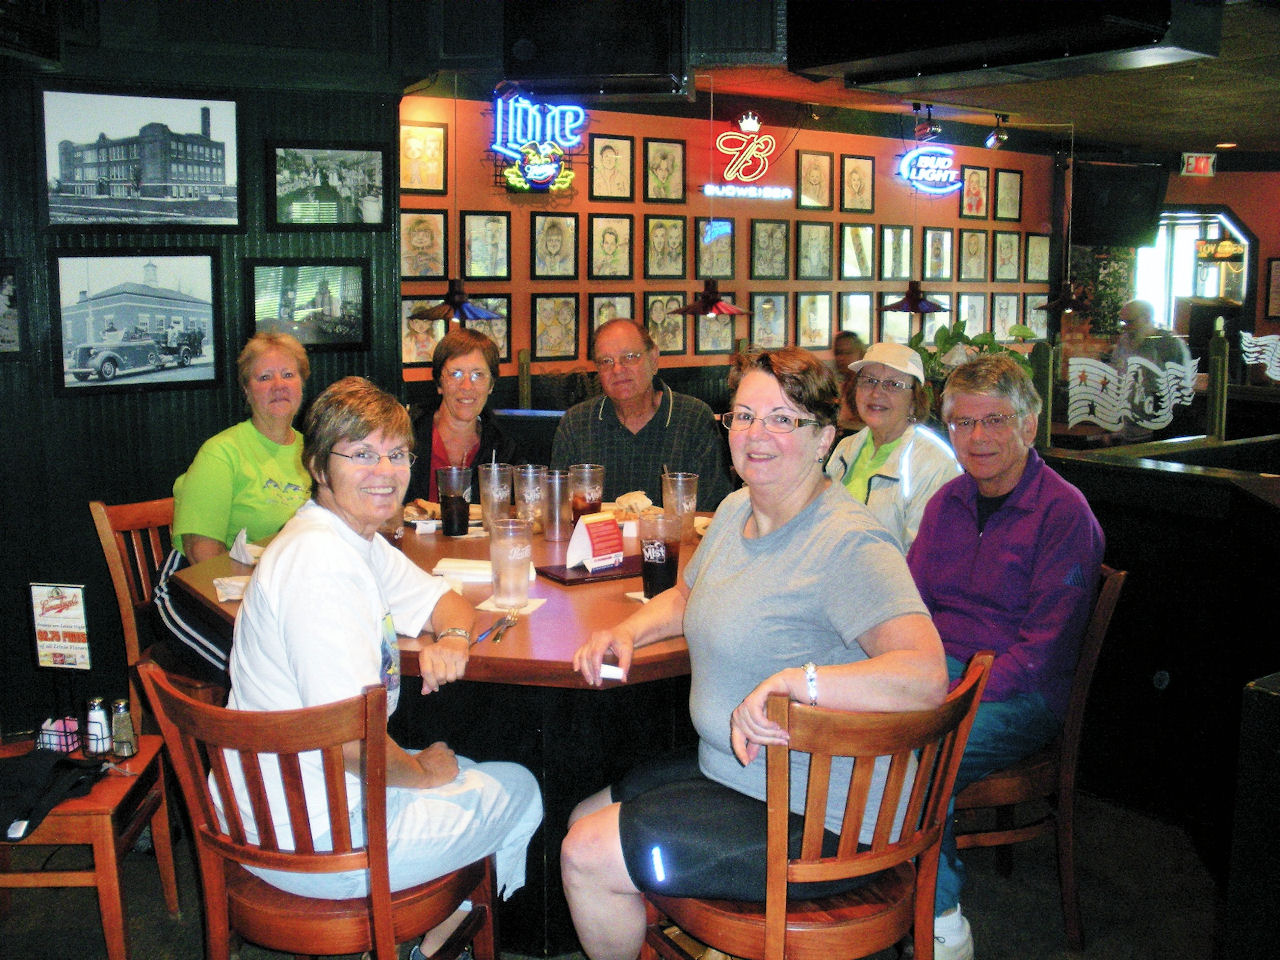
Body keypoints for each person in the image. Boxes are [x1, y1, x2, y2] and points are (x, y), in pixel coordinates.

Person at [561, 347, 947, 960]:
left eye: (781, 419)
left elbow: (926, 674)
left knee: (587, 854)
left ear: (824, 437)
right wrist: (629, 631)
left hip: (821, 818)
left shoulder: (848, 542)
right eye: (743, 416)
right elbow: (689, 596)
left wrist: (798, 682)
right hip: (737, 772)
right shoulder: (739, 507)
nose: (755, 434)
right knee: (581, 814)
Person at [227, 376, 542, 960]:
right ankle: (432, 947)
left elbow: (446, 601)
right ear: (319, 466)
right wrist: (423, 773)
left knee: (477, 770)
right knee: (520, 790)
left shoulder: (352, 540)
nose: (385, 471)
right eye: (362, 454)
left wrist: (453, 637)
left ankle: (432, 943)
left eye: (397, 454)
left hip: (297, 803)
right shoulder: (320, 566)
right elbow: (349, 739)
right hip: (313, 838)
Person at [906, 354, 1104, 960]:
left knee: (920, 755)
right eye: (963, 423)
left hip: (1022, 695)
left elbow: (1042, 652)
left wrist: (950, 697)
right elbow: (909, 605)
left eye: (994, 420)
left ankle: (939, 920)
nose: (978, 438)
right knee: (843, 723)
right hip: (940, 674)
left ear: (1029, 424)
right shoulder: (947, 502)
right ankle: (865, 889)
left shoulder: (1064, 514)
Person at [154, 333, 312, 684]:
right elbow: (201, 552)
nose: (279, 385)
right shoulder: (220, 452)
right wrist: (255, 612)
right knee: (264, 673)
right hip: (196, 591)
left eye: (288, 374)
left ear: (302, 383)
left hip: (274, 594)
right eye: (264, 377)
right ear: (247, 390)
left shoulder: (313, 452)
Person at [550, 318, 731, 510]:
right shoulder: (577, 423)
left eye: (629, 357)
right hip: (592, 531)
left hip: (678, 531)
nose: (617, 369)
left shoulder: (694, 418)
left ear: (653, 359)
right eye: (606, 361)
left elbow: (716, 508)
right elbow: (557, 506)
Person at [826, 342, 960, 553]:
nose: (876, 393)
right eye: (869, 381)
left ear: (914, 399)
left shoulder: (935, 463)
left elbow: (924, 556)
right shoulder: (846, 448)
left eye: (893, 384)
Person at [405, 328, 520, 504]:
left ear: (491, 385)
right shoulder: (407, 436)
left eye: (477, 375)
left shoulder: (504, 447)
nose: (466, 386)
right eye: (456, 374)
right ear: (439, 383)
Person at [832, 330, 866, 433]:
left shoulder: (863, 386)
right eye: (838, 353)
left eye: (848, 353)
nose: (841, 358)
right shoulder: (844, 385)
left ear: (861, 355)